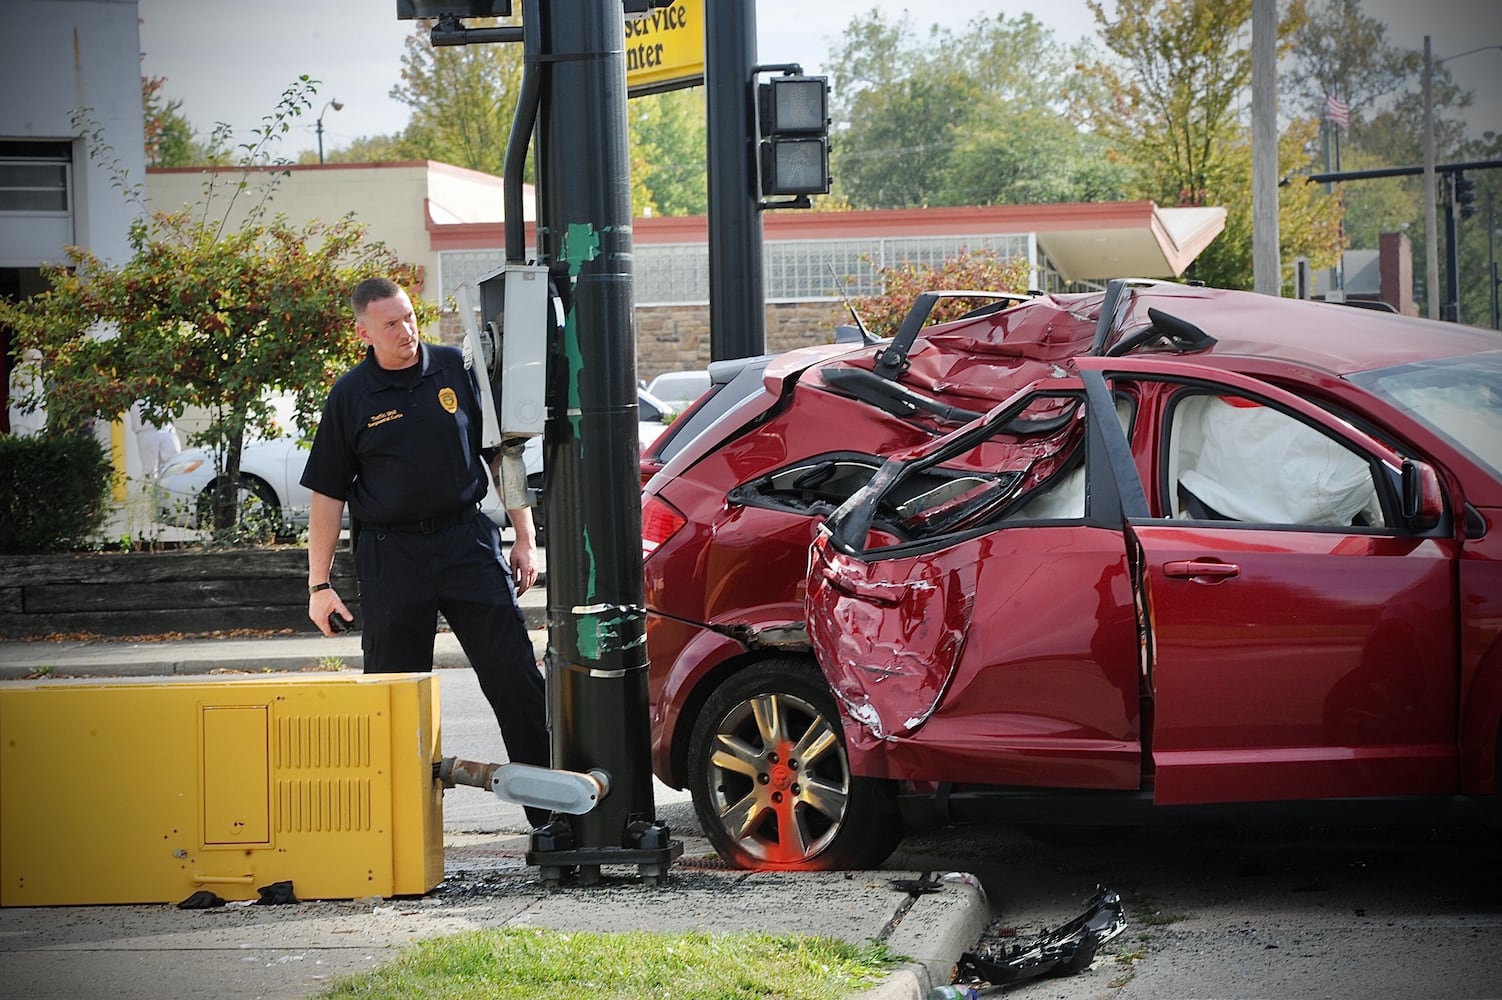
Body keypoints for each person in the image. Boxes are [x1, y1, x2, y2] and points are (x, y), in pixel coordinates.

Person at [301, 276, 550, 828]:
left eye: (409, 317)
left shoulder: (454, 371)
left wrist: (526, 538)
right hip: (393, 554)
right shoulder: (351, 396)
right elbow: (327, 496)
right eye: (390, 323)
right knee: (394, 692)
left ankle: (552, 816)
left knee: (514, 677)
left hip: (466, 540)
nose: (406, 330)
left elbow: (501, 456)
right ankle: (400, 830)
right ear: (363, 331)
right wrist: (319, 585)